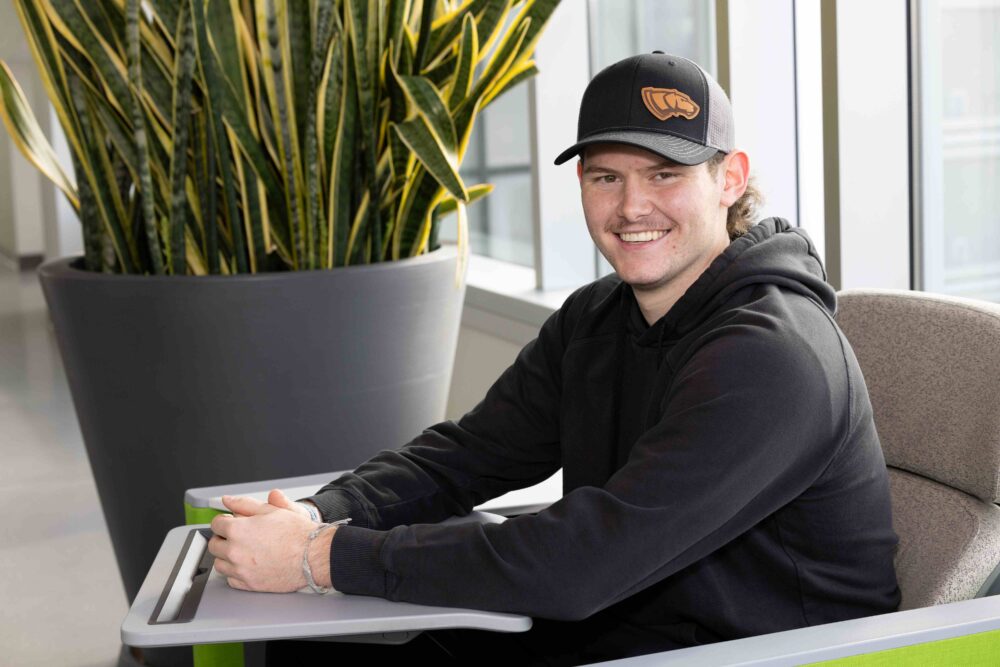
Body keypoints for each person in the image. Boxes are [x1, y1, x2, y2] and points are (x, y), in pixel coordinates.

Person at [207, 52, 900, 664]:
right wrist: (314, 514)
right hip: (617, 623)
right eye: (606, 178)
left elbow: (585, 557)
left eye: (663, 174)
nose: (632, 207)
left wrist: (317, 557)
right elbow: (465, 455)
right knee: (303, 647)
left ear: (730, 178)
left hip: (758, 651)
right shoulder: (596, 318)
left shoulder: (773, 358)